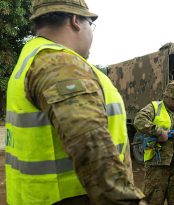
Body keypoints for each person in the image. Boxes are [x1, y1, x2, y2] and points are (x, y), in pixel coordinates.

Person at [5, 0, 145, 204]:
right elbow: (91, 149)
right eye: (91, 24)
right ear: (76, 21)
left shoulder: (31, 58)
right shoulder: (58, 64)